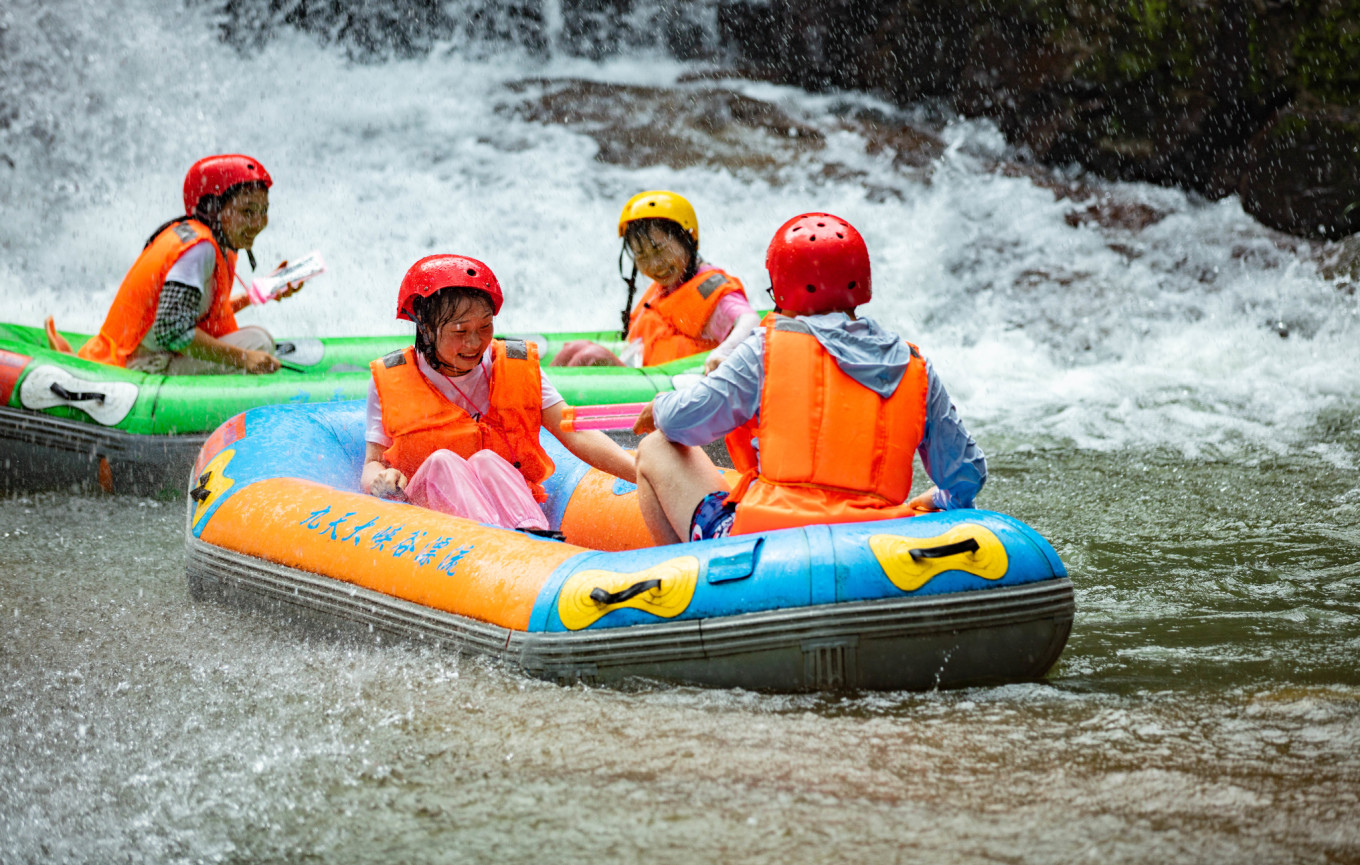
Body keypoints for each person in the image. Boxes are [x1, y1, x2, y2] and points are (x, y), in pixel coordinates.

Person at [631, 212, 987, 545]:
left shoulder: (765, 348)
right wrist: (942, 498)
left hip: (768, 538)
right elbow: (967, 473)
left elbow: (684, 422)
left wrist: (659, 408)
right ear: (862, 283)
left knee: (655, 447)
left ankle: (683, 575)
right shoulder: (915, 366)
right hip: (878, 541)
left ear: (781, 289)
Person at [363, 254, 637, 531]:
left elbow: (575, 430)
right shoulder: (391, 378)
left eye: (485, 326)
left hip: (504, 511)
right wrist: (380, 479)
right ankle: (496, 537)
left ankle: (533, 532)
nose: (474, 342)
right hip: (430, 518)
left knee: (487, 460)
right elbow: (372, 463)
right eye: (460, 331)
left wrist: (640, 473)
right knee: (442, 462)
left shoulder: (514, 365)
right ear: (425, 326)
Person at [54, 154, 302, 374]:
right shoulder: (198, 250)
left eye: (263, 211)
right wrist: (245, 358)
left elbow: (203, 315)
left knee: (256, 340)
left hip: (144, 354)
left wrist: (258, 294)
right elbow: (172, 331)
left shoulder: (209, 242)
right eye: (247, 212)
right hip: (142, 365)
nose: (258, 223)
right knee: (259, 342)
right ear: (213, 208)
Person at [551, 190, 760, 373]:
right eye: (641, 256)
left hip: (677, 389)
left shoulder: (710, 290)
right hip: (647, 375)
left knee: (591, 357)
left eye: (660, 250)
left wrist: (724, 353)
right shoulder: (669, 285)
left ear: (687, 239)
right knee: (574, 348)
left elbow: (750, 322)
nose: (654, 265)